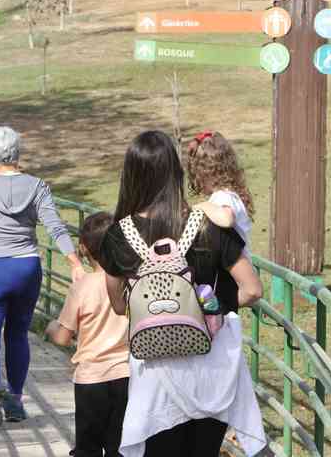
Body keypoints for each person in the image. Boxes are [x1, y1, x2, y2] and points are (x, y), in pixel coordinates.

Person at [97, 131, 271, 457]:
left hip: (156, 377)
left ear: (130, 176)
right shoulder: (208, 224)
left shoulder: (118, 236)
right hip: (212, 372)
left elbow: (119, 306)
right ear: (176, 172)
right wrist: (211, 309)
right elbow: (252, 289)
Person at [0, 126, 85, 432]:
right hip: (25, 268)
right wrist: (74, 262)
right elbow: (55, 226)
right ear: (18, 153)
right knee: (17, 334)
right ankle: (15, 400)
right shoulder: (37, 187)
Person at [46, 212, 129, 457]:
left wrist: (51, 327)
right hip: (127, 375)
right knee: (121, 447)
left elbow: (62, 337)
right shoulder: (128, 281)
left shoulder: (82, 287)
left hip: (91, 380)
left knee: (88, 448)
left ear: (82, 248)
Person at [187, 131, 255, 260]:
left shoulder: (223, 197)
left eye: (197, 174)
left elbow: (226, 219)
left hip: (235, 275)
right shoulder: (230, 195)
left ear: (207, 173)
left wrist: (201, 206)